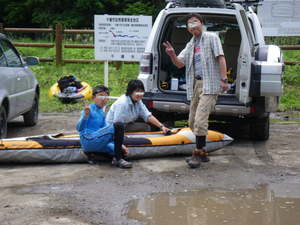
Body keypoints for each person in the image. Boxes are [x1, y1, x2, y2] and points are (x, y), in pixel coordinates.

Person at [163, 13, 229, 168]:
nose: (192, 26)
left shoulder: (212, 37)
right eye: (189, 24)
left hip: (210, 84)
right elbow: (179, 64)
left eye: (195, 22)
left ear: (201, 23)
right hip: (196, 85)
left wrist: (224, 79)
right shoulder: (191, 44)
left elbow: (221, 58)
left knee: (200, 120)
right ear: (187, 29)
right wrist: (172, 54)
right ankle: (204, 151)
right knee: (192, 122)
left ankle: (197, 153)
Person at [76, 85, 132, 169]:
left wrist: (120, 144)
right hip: (88, 139)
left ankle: (93, 156)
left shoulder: (102, 113)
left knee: (121, 151)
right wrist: (85, 116)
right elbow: (78, 128)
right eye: (101, 95)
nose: (103, 98)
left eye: (106, 96)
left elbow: (106, 131)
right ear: (93, 98)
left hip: (97, 140)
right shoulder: (89, 109)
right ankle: (118, 159)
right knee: (118, 125)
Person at [106, 79, 170, 133]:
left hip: (126, 124)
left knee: (149, 125)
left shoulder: (138, 101)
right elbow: (117, 124)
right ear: (130, 92)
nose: (139, 94)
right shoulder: (122, 103)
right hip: (112, 129)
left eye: (141, 92)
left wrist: (162, 126)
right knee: (146, 127)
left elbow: (148, 115)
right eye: (137, 91)